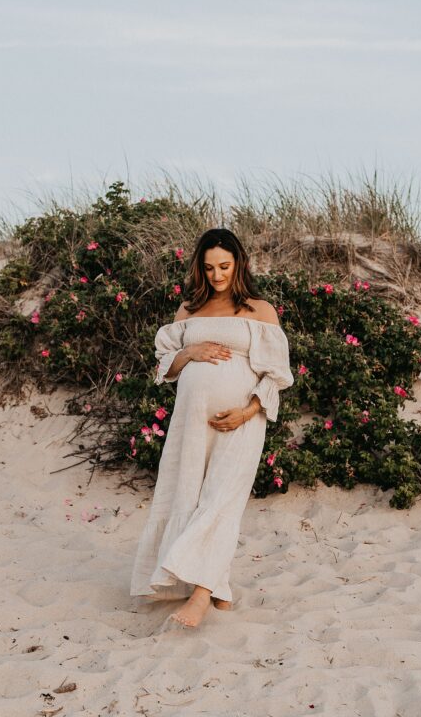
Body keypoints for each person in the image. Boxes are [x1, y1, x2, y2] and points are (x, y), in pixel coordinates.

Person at [130, 228, 293, 628]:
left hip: (240, 420)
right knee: (188, 494)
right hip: (192, 421)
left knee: (222, 498)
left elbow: (278, 374)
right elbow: (164, 365)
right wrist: (189, 352)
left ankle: (201, 598)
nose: (217, 275)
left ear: (239, 264)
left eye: (224, 266)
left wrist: (248, 410)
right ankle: (215, 583)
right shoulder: (188, 311)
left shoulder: (260, 311)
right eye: (209, 268)